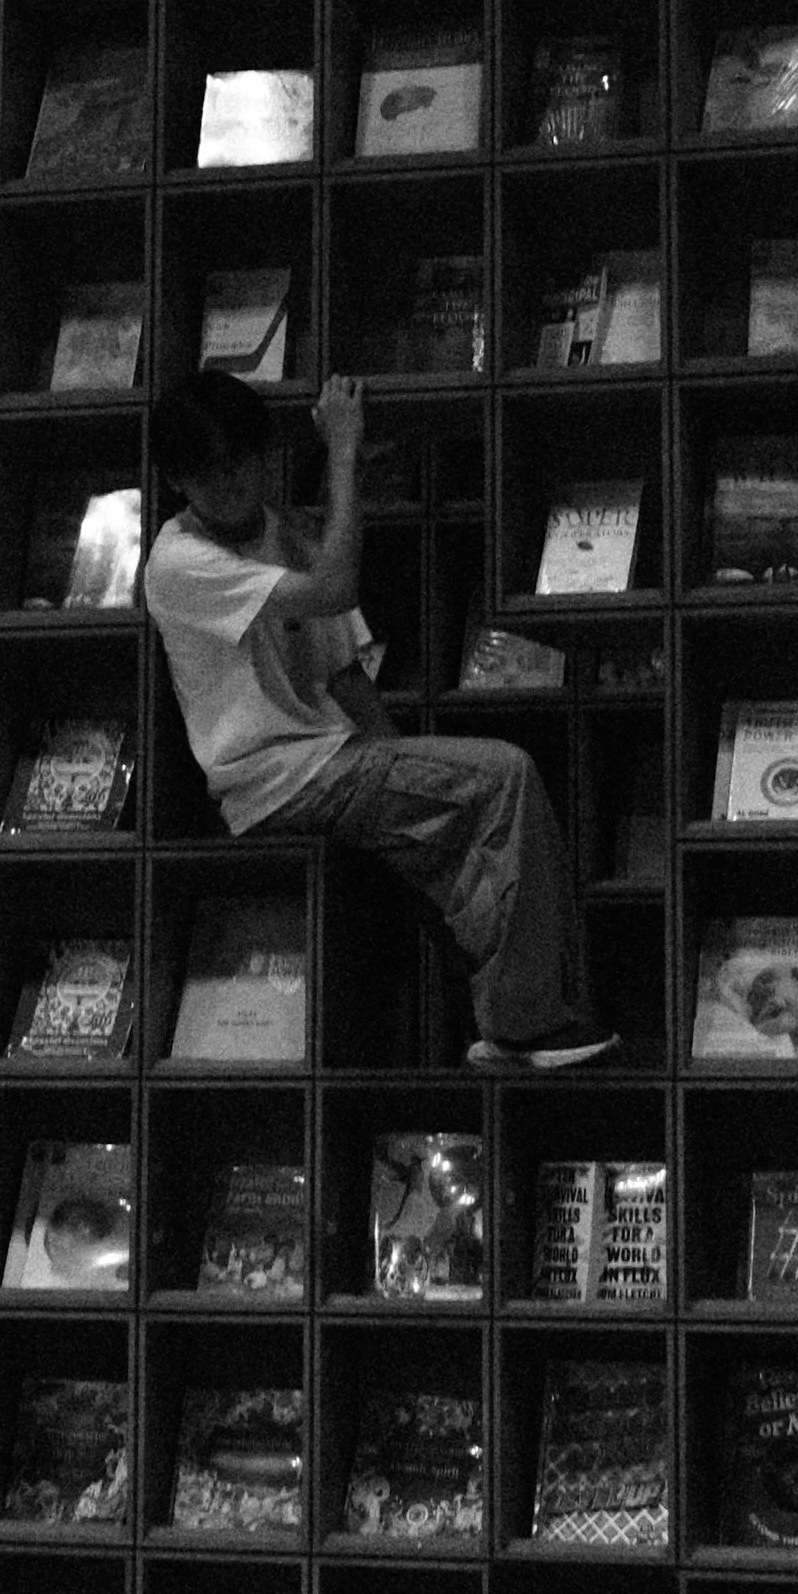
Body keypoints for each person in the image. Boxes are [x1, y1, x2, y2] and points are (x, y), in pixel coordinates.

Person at [143, 364, 616, 1067]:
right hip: (275, 780)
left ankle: (508, 1031)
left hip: (330, 765)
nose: (233, 482)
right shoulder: (179, 560)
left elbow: (341, 672)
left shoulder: (280, 530)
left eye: (242, 462)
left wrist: (405, 770)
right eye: (209, 473)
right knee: (506, 774)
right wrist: (343, 449)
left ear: (262, 454)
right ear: (179, 480)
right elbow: (335, 585)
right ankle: (523, 1026)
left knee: (462, 857)